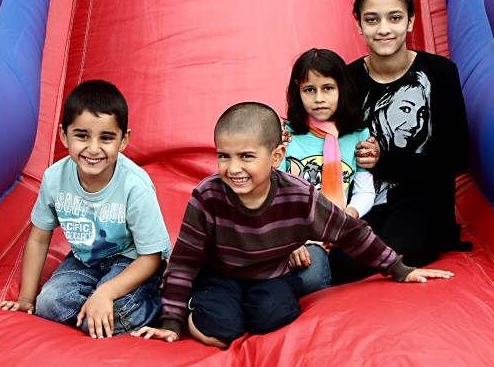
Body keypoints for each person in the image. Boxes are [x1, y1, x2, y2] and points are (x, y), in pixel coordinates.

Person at [131, 102, 453, 348]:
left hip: (271, 272)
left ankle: (245, 306)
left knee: (274, 318)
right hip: (221, 273)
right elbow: (186, 260)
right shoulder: (208, 196)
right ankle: (197, 306)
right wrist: (172, 322)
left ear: (276, 156)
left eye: (246, 156)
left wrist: (399, 268)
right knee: (219, 330)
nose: (233, 168)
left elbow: (350, 232)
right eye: (224, 156)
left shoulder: (298, 197)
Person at [0, 80, 172, 338]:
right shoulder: (55, 178)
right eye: (82, 136)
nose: (93, 148)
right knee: (49, 304)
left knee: (98, 322)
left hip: (132, 260)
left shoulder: (136, 186)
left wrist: (105, 293)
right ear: (63, 135)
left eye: (107, 138)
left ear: (124, 140)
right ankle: (100, 305)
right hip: (85, 258)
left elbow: (151, 257)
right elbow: (39, 236)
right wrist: (26, 297)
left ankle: (158, 303)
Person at [331, 0, 471, 284]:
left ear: (410, 21)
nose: (383, 29)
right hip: (366, 200)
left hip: (424, 202)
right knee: (339, 260)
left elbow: (458, 156)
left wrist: (385, 159)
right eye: (372, 19)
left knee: (396, 250)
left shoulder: (439, 74)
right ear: (358, 24)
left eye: (394, 18)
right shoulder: (347, 81)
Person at [282, 48, 375, 272]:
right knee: (311, 273)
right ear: (298, 91)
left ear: (342, 89)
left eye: (328, 88)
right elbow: (276, 194)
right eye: (309, 90)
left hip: (340, 224)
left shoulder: (358, 135)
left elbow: (364, 189)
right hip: (296, 232)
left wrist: (349, 215)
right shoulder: (286, 136)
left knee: (361, 261)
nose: (319, 99)